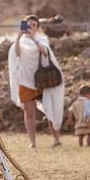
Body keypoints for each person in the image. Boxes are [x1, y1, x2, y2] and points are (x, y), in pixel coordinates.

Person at [8, 15, 65, 147]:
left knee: (50, 108)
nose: (30, 27)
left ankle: (56, 139)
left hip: (43, 79)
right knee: (29, 112)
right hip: (26, 80)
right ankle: (32, 142)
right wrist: (18, 37)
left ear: (37, 27)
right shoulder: (20, 40)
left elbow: (45, 52)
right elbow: (17, 54)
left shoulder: (42, 39)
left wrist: (33, 37)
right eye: (28, 25)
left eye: (34, 25)